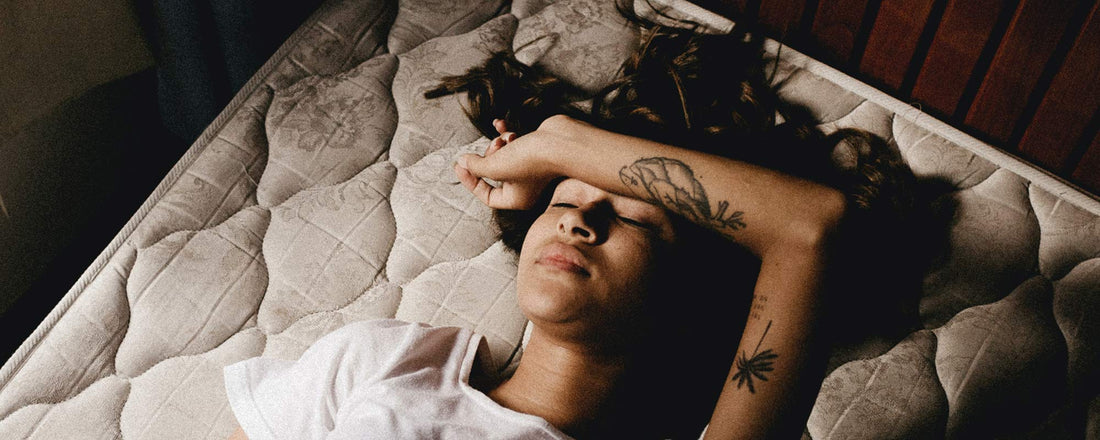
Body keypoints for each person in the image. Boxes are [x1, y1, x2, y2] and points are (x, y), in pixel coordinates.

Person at [225, 6, 946, 439]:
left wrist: (562, 144)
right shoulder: (391, 361)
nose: (578, 222)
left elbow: (809, 227)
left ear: (684, 290)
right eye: (563, 202)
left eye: (638, 224)